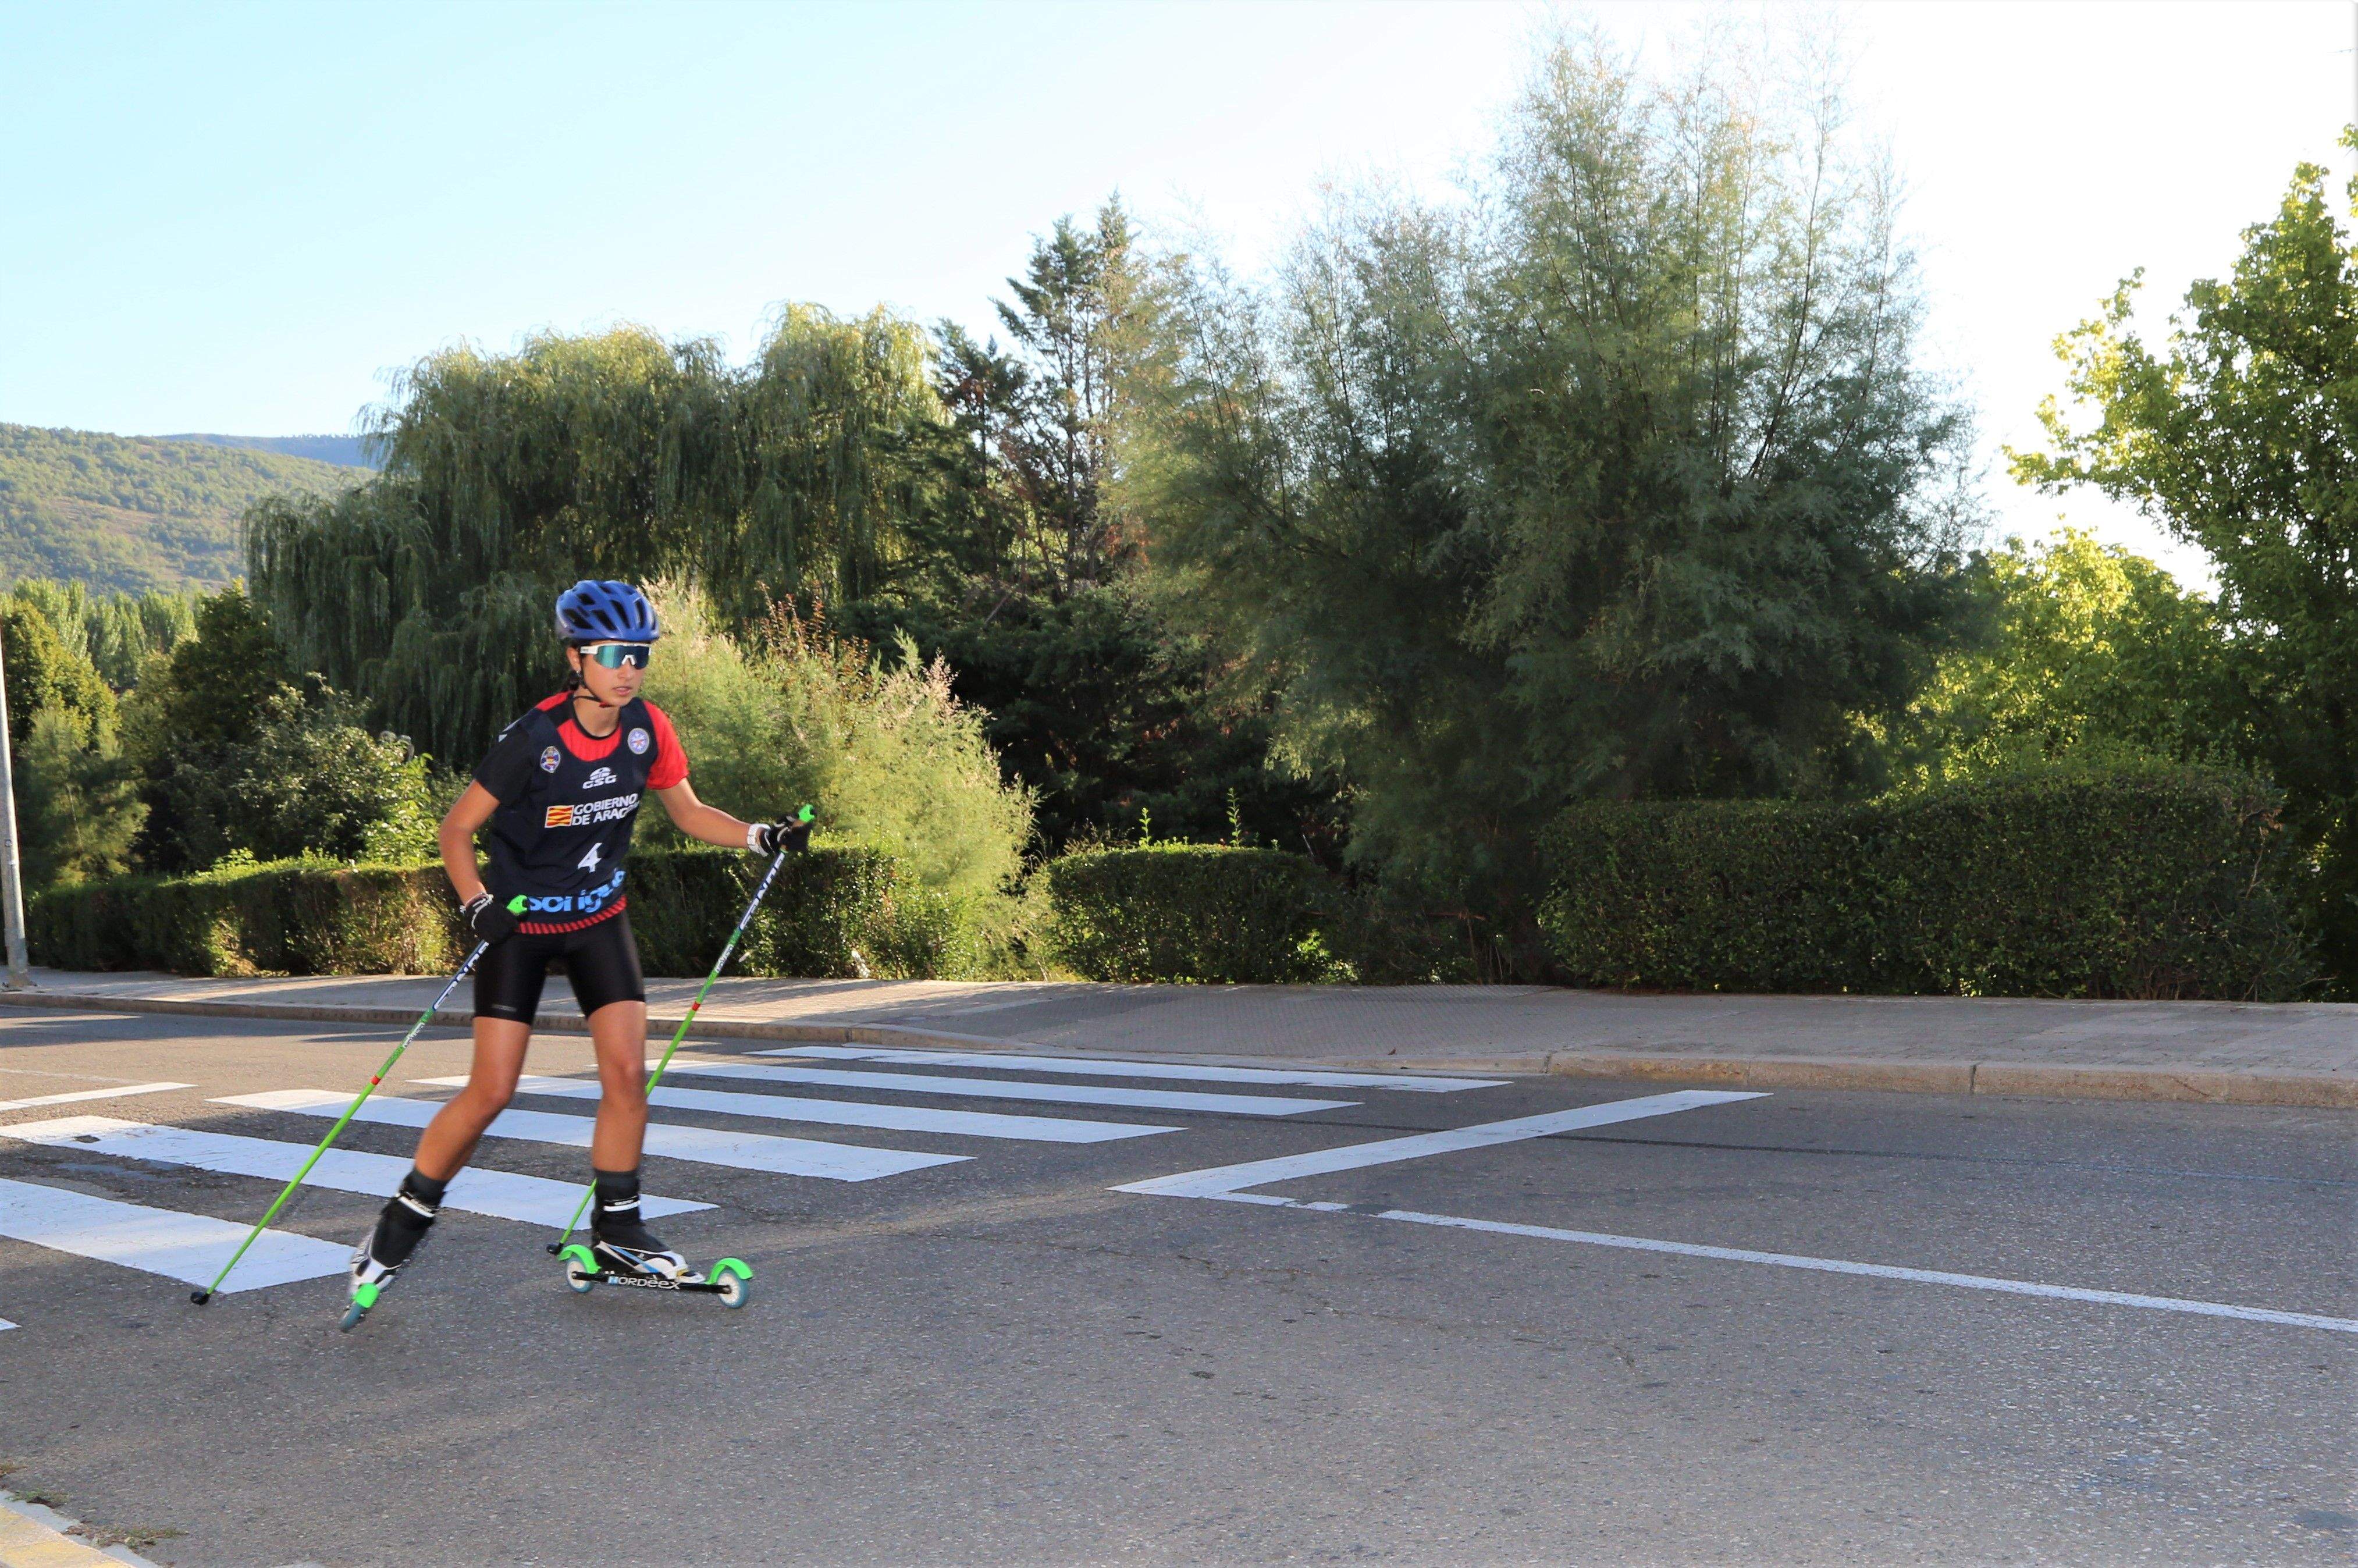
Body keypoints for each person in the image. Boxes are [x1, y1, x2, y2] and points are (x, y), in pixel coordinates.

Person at [350, 579, 808, 1300]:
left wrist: (761, 835)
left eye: (641, 656)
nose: (629, 668)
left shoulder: (647, 728)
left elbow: (688, 813)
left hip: (599, 919)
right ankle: (401, 1221)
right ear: (576, 657)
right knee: (492, 1090)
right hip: (520, 927)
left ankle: (619, 1232)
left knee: (627, 1077)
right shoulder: (532, 740)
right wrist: (475, 905)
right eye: (614, 654)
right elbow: (456, 829)